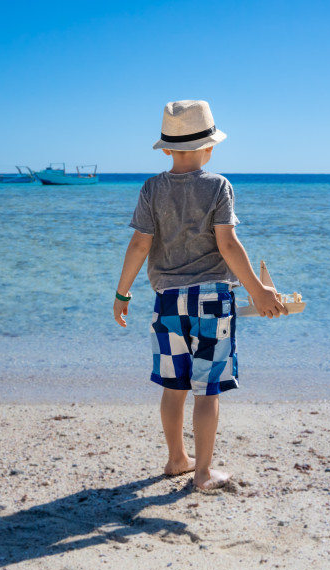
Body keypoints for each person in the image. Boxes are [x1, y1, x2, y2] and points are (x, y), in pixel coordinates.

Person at [112, 100, 287, 490]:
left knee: (174, 386)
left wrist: (122, 294)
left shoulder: (152, 188)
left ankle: (177, 458)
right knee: (207, 390)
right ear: (209, 147)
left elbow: (139, 245)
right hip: (211, 301)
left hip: (168, 301)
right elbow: (228, 244)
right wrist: (257, 291)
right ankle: (203, 473)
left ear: (168, 148)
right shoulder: (218, 186)